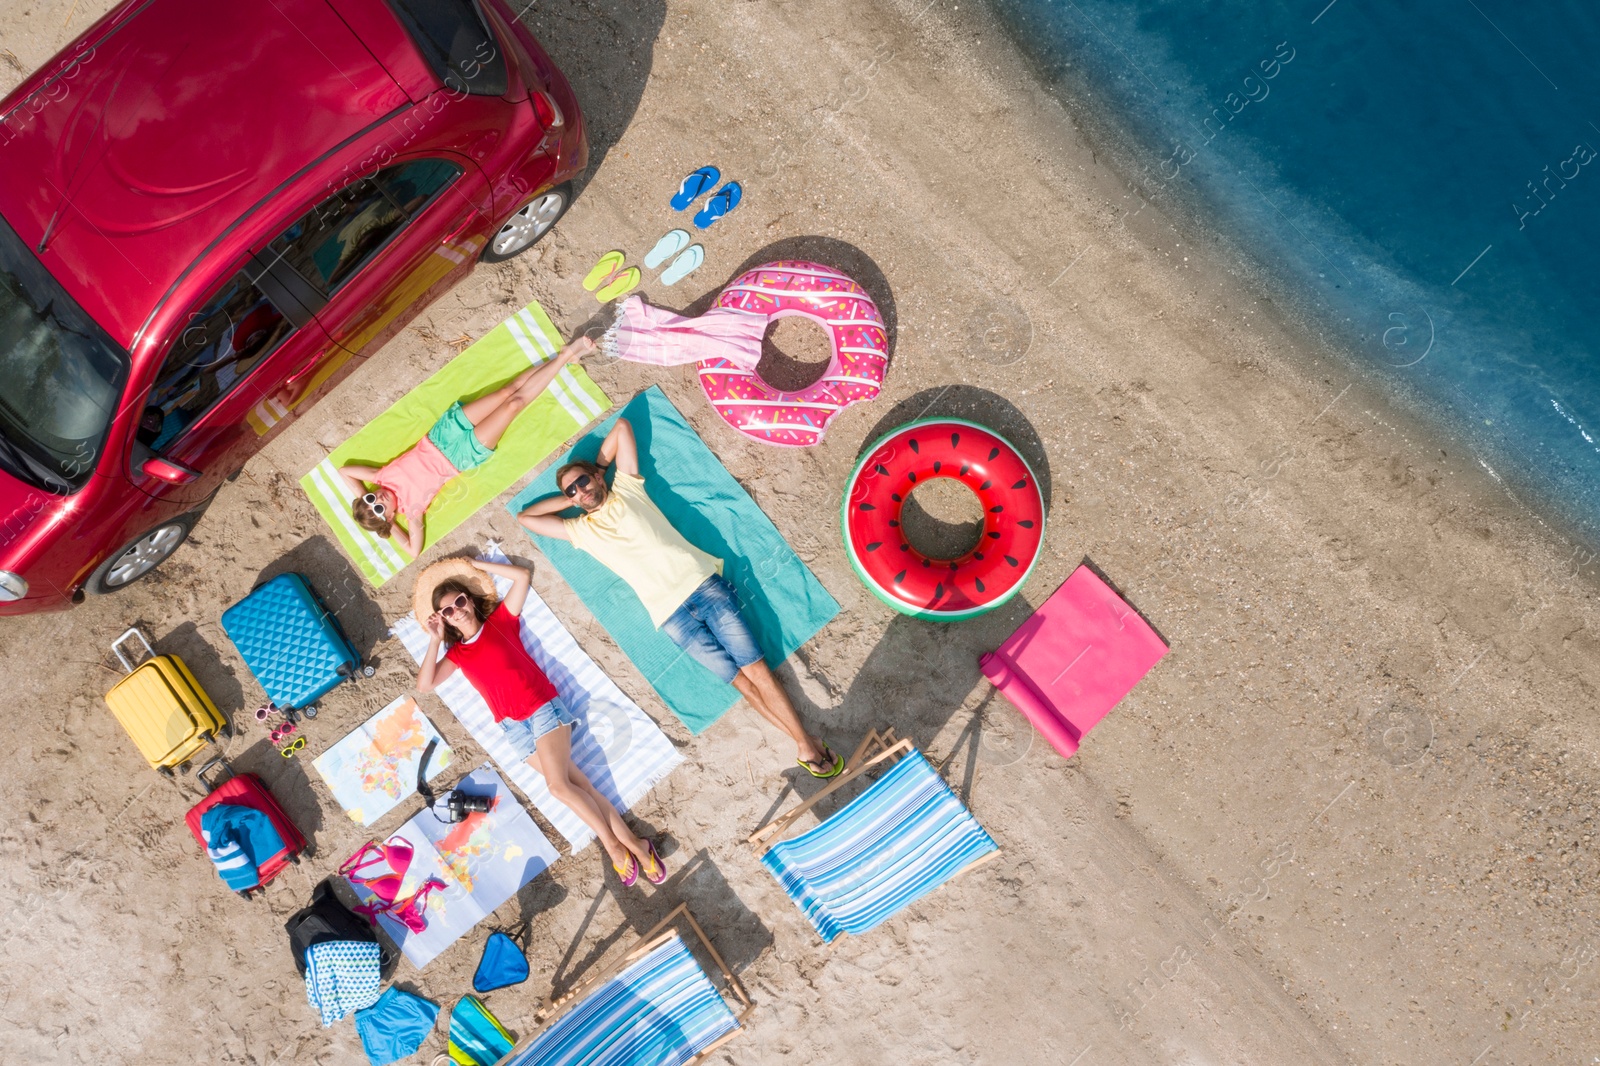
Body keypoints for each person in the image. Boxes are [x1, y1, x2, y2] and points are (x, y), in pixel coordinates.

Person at [517, 418, 845, 778]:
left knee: (757, 670)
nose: (580, 491)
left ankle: (803, 745)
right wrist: (569, 499)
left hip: (702, 586)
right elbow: (526, 516)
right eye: (571, 492)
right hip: (670, 617)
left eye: (583, 481)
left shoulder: (627, 489)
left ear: (596, 478)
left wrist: (599, 465)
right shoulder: (579, 530)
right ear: (569, 501)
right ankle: (804, 743)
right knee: (740, 682)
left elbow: (625, 427)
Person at [413, 556, 665, 887]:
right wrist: (434, 640)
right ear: (444, 620)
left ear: (470, 601)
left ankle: (613, 847)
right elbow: (425, 684)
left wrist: (476, 564)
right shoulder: (457, 654)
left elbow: (521, 577)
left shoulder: (500, 622)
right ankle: (637, 844)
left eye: (459, 601)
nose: (456, 610)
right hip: (514, 730)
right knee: (581, 787)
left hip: (542, 708)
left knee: (558, 787)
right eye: (448, 611)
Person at [336, 337, 594, 558]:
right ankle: (565, 357)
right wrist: (386, 526)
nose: (377, 500)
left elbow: (344, 471)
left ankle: (563, 358)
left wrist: (365, 500)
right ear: (390, 516)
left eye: (370, 499)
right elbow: (413, 551)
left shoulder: (379, 477)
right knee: (514, 405)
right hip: (461, 456)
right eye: (378, 509)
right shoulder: (412, 513)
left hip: (443, 435)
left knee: (508, 392)